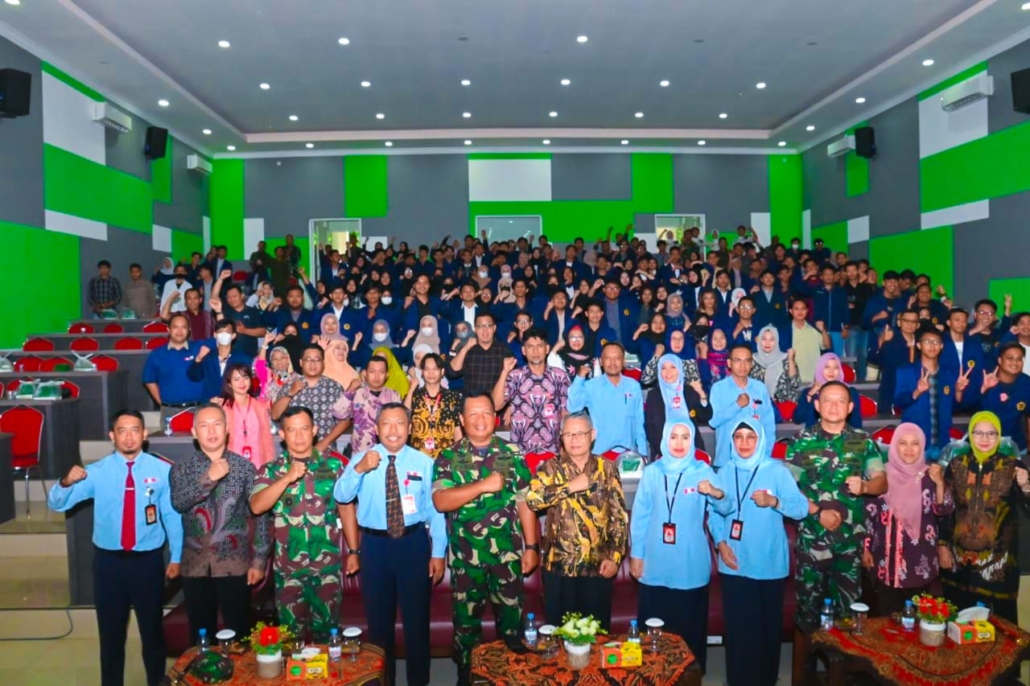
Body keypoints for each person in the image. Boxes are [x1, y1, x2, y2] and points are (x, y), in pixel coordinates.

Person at [47, 410, 182, 686]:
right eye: (122, 431)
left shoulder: (161, 470)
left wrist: (177, 556)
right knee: (110, 636)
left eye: (135, 430)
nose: (129, 437)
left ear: (145, 434)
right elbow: (58, 504)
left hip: (148, 562)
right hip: (108, 565)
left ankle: (156, 681)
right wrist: (65, 482)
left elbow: (171, 516)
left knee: (152, 633)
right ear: (112, 436)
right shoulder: (96, 472)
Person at [335, 403, 447, 686]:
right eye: (386, 423)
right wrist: (359, 469)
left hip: (413, 544)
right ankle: (382, 681)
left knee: (417, 621)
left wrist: (438, 552)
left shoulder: (424, 462)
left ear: (410, 428)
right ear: (376, 428)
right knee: (379, 624)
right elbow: (341, 495)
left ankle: (418, 681)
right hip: (375, 547)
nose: (393, 430)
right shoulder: (361, 459)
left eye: (399, 423)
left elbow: (436, 510)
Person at [431, 393, 539, 684]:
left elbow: (524, 501)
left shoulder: (512, 454)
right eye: (473, 414)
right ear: (462, 420)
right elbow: (441, 501)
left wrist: (531, 546)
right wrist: (482, 486)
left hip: (508, 557)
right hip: (466, 561)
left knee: (512, 626)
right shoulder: (448, 457)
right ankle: (467, 675)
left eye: (486, 413)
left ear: (495, 417)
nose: (480, 420)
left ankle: (511, 675)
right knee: (466, 627)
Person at [709, 419, 808, 686]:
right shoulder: (724, 471)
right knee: (738, 630)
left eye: (750, 437)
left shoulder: (776, 471)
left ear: (760, 440)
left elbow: (801, 508)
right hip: (734, 562)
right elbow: (713, 513)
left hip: (768, 563)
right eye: (738, 436)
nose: (744, 443)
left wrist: (774, 501)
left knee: (766, 631)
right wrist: (720, 543)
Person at [628, 419, 729, 673]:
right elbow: (640, 515)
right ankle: (653, 675)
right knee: (654, 633)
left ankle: (689, 677)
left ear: (692, 440)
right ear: (665, 439)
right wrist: (636, 554)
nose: (679, 443)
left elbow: (726, 507)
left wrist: (716, 493)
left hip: (690, 565)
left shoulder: (702, 470)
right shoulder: (653, 472)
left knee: (689, 632)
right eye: (673, 436)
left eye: (685, 437)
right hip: (655, 563)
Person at [785, 382, 887, 628]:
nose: (833, 406)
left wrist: (865, 487)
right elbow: (788, 490)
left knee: (848, 615)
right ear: (817, 405)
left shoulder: (862, 441)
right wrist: (817, 512)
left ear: (850, 407)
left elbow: (882, 482)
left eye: (840, 401)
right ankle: (807, 654)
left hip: (849, 544)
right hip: (812, 542)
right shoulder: (801, 442)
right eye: (827, 400)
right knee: (808, 614)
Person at [169, 404, 271, 644]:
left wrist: (259, 561)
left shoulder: (244, 468)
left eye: (217, 424)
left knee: (239, 636)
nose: (211, 431)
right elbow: (179, 503)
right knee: (201, 638)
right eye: (204, 426)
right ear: (194, 432)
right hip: (195, 566)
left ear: (227, 429)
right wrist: (209, 478)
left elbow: (262, 516)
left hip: (234, 563)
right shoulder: (181, 468)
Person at [250, 406, 349, 641]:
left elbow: (347, 508)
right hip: (289, 571)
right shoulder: (271, 470)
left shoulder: (334, 467)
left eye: (304, 429)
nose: (299, 436)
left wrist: (354, 551)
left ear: (314, 430)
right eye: (291, 430)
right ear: (282, 434)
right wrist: (287, 478)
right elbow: (257, 506)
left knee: (329, 636)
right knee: (291, 638)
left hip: (327, 569)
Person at [525, 411, 628, 630]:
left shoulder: (607, 468)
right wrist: (569, 487)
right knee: (560, 635)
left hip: (598, 567)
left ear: (593, 435)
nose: (574, 440)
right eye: (569, 434)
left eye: (580, 434)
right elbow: (532, 500)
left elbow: (619, 517)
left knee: (595, 634)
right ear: (561, 437)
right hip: (559, 568)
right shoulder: (549, 468)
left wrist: (615, 557)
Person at [939, 411, 1030, 623]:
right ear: (970, 435)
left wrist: (1026, 485)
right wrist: (942, 545)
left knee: (1003, 626)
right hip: (959, 564)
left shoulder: (1013, 466)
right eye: (979, 433)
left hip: (998, 565)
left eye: (991, 433)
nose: (985, 438)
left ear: (999, 435)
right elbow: (946, 509)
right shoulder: (956, 465)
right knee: (958, 625)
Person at [862, 423, 953, 617]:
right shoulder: (881, 477)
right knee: (886, 620)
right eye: (903, 443)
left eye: (915, 443)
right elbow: (868, 514)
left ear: (922, 447)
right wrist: (865, 547)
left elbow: (944, 509)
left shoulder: (931, 476)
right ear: (894, 445)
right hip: (885, 560)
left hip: (920, 560)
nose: (909, 449)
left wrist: (940, 483)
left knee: (918, 621)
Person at [492, 328, 571, 467]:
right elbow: (496, 405)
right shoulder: (515, 376)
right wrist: (504, 372)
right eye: (530, 346)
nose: (535, 351)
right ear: (523, 350)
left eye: (539, 346)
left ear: (547, 349)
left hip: (552, 451)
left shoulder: (559, 376)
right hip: (521, 453)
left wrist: (566, 447)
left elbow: (566, 413)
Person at [894, 327, 968, 457]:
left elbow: (954, 407)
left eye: (936, 342)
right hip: (915, 443)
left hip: (942, 441)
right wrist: (917, 392)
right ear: (918, 345)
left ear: (941, 346)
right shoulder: (906, 371)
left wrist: (958, 390)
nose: (932, 345)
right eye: (927, 341)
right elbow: (898, 402)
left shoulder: (948, 374)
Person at [567, 342, 648, 457]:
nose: (612, 362)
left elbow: (639, 422)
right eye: (608, 358)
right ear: (601, 361)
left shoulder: (633, 386)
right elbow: (573, 407)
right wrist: (579, 378)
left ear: (623, 361)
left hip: (628, 454)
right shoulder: (591, 386)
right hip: (600, 453)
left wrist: (643, 453)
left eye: (617, 358)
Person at [270, 344, 349, 453]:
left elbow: (345, 420)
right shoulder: (290, 385)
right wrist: (290, 394)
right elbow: (275, 415)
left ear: (323, 363)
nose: (313, 364)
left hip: (326, 450)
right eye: (308, 360)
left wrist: (325, 442)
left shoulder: (334, 387)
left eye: (317, 360)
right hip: (295, 451)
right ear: (301, 362)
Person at [709, 344, 777, 468]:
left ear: (752, 364)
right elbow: (713, 421)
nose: (742, 365)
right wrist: (737, 405)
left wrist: (765, 455)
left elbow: (768, 426)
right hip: (726, 462)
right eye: (737, 360)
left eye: (747, 361)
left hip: (756, 462)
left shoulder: (760, 388)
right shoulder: (718, 388)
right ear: (729, 363)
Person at [331, 354, 403, 454]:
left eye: (381, 372)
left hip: (386, 451)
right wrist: (350, 389)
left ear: (387, 375)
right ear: (365, 373)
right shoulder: (357, 394)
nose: (377, 376)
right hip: (360, 452)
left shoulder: (394, 396)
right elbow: (338, 413)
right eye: (372, 372)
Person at [142, 313, 205, 423]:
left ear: (189, 330)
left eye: (183, 327)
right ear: (168, 330)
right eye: (176, 327)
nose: (179, 331)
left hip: (198, 410)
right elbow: (149, 380)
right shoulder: (157, 354)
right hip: (169, 411)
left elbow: (220, 339)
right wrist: (161, 402)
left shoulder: (199, 349)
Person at [645, 353, 711, 457]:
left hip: (692, 450)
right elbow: (650, 428)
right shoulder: (653, 395)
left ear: (680, 370)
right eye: (663, 368)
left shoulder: (689, 391)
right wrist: (665, 450)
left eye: (673, 367)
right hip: (663, 452)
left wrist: (701, 393)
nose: (668, 372)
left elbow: (705, 416)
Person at [218, 363, 276, 469]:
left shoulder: (260, 406)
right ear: (229, 383)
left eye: (245, 378)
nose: (242, 383)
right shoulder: (223, 407)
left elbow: (267, 438)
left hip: (258, 465)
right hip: (232, 466)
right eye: (236, 379)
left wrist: (270, 464)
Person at [405, 352, 463, 457]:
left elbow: (457, 430)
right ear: (422, 372)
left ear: (442, 371)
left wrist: (458, 457)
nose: (431, 373)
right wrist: (411, 390)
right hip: (417, 457)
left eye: (435, 369)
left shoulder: (454, 397)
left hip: (446, 458)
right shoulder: (413, 396)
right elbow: (404, 417)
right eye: (427, 369)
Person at [978, 342, 1030, 452]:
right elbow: (971, 410)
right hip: (984, 445)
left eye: (1019, 359)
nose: (1015, 362)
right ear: (1000, 360)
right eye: (1010, 358)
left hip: (1016, 445)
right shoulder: (985, 380)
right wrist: (983, 390)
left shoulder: (1026, 383)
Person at [447, 312, 514, 396]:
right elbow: (452, 373)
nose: (484, 330)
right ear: (475, 329)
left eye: (488, 325)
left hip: (495, 401)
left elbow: (512, 381)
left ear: (494, 328)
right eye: (480, 326)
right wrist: (466, 348)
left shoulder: (504, 351)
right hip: (471, 401)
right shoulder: (467, 349)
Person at [185, 319, 251, 401]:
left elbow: (248, 383)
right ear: (215, 335)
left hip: (233, 403)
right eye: (220, 332)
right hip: (210, 403)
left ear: (233, 336)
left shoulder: (242, 358)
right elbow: (194, 377)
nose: (224, 335)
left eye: (227, 332)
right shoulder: (207, 357)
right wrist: (198, 358)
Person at [795, 352, 863, 429]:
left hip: (842, 435)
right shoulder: (809, 391)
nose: (831, 371)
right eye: (827, 367)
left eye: (836, 367)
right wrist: (810, 395)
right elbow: (798, 419)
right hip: (815, 435)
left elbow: (856, 423)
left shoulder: (850, 392)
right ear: (820, 368)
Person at [211, 283, 266, 361]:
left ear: (242, 296)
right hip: (229, 358)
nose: (232, 299)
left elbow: (263, 332)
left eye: (234, 296)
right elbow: (214, 299)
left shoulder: (253, 311)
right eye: (229, 297)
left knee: (258, 367)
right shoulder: (225, 311)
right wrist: (221, 280)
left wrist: (244, 330)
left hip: (250, 356)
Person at [751, 325, 801, 404]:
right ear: (759, 340)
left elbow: (795, 383)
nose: (767, 343)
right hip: (759, 404)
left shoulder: (785, 358)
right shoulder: (753, 359)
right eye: (764, 339)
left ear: (777, 341)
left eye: (772, 339)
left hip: (784, 405)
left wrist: (791, 359)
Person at [783, 298, 827, 384]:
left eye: (803, 309)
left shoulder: (814, 328)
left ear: (807, 311)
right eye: (796, 309)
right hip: (793, 378)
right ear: (791, 311)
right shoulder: (785, 330)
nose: (800, 312)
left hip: (814, 378)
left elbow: (827, 346)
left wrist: (823, 331)